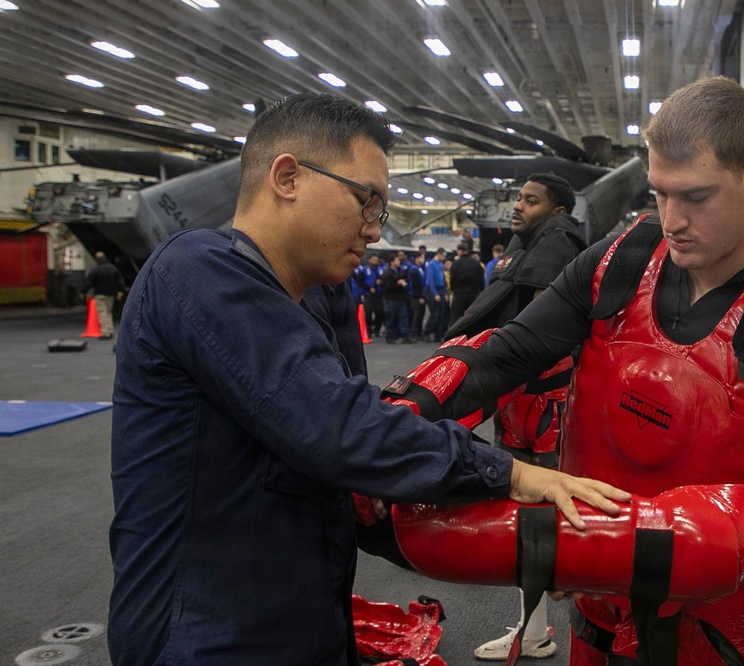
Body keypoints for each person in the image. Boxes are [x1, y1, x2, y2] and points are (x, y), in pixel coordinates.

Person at [383, 76, 744, 665]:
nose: (672, 219)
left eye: (695, 197)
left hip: (718, 613)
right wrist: (391, 423)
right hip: (595, 590)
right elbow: (504, 356)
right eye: (659, 193)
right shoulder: (616, 266)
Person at [106, 92, 630, 666]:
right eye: (367, 202)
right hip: (206, 639)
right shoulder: (198, 272)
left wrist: (547, 549)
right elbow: (340, 430)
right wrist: (511, 474)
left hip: (302, 618)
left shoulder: (313, 299)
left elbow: (354, 472)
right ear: (287, 178)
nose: (375, 231)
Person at [445, 171, 587, 661]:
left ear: (558, 210)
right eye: (519, 199)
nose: (518, 206)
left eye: (531, 200)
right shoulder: (530, 248)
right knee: (528, 515)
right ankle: (535, 630)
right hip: (521, 403)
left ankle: (542, 631)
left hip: (544, 406)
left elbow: (540, 334)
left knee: (544, 519)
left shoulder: (557, 248)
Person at [84, 250, 124, 338]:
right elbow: (120, 282)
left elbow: (90, 283)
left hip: (100, 294)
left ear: (96, 259)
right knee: (109, 312)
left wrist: (83, 292)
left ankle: (105, 332)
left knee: (102, 312)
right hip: (111, 294)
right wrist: (120, 293)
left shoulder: (95, 270)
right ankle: (110, 330)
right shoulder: (113, 269)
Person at [447, 241, 485, 327]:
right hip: (473, 294)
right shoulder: (476, 263)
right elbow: (481, 279)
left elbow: (452, 279)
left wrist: (453, 289)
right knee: (472, 316)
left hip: (459, 294)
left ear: (459, 251)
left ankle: (455, 333)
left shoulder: (456, 264)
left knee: (456, 317)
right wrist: (480, 289)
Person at [380, 253, 412, 343]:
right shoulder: (387, 273)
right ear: (391, 262)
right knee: (391, 318)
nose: (399, 262)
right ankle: (389, 336)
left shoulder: (399, 270)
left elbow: (405, 279)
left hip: (401, 298)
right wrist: (399, 284)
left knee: (403, 317)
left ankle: (405, 336)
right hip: (391, 299)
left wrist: (402, 282)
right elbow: (389, 286)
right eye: (397, 260)